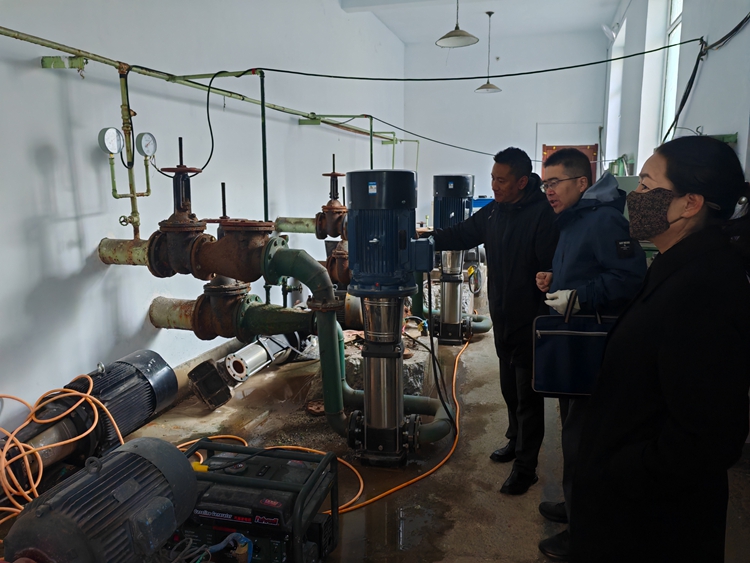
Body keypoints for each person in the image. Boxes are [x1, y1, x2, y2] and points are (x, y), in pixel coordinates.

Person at [569, 135, 750, 562]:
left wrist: (620, 471)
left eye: (647, 185)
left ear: (690, 203)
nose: (634, 196)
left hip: (650, 522)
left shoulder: (707, 287)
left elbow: (709, 435)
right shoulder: (677, 264)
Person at [533, 148, 647, 560]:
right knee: (572, 432)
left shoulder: (604, 221)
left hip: (594, 348)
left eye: (555, 183)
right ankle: (574, 504)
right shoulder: (575, 218)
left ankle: (585, 533)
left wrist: (579, 296)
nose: (548, 191)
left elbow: (629, 278)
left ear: (582, 182)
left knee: (584, 439)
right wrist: (556, 278)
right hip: (574, 343)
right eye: (545, 184)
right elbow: (588, 269)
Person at [428, 147, 558, 495]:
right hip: (502, 315)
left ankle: (526, 469)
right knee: (509, 390)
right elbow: (460, 233)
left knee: (529, 398)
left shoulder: (543, 215)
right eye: (492, 178)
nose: (494, 185)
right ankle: (514, 441)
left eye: (501, 180)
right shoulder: (494, 213)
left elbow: (552, 268)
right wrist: (426, 239)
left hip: (531, 319)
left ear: (522, 182)